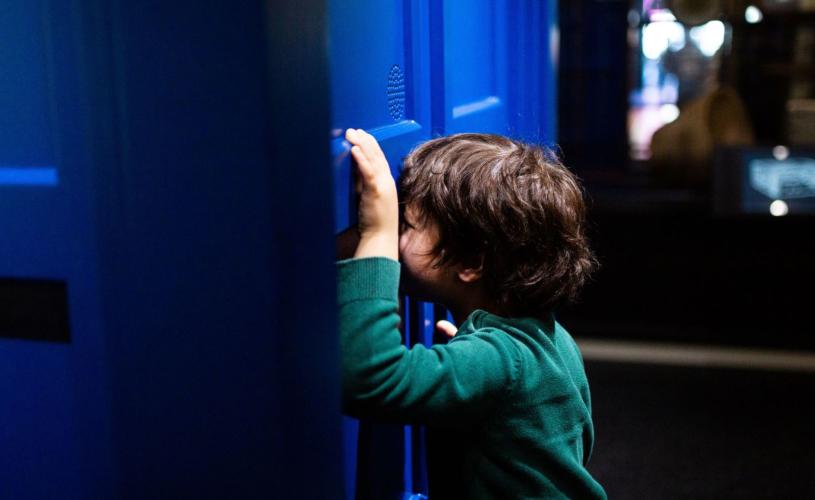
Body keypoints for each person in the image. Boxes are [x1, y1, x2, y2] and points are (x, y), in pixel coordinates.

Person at [338, 128, 606, 499]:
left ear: (470, 261)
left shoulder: (499, 361)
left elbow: (368, 378)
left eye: (408, 225)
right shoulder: (553, 339)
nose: (397, 236)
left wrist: (376, 234)